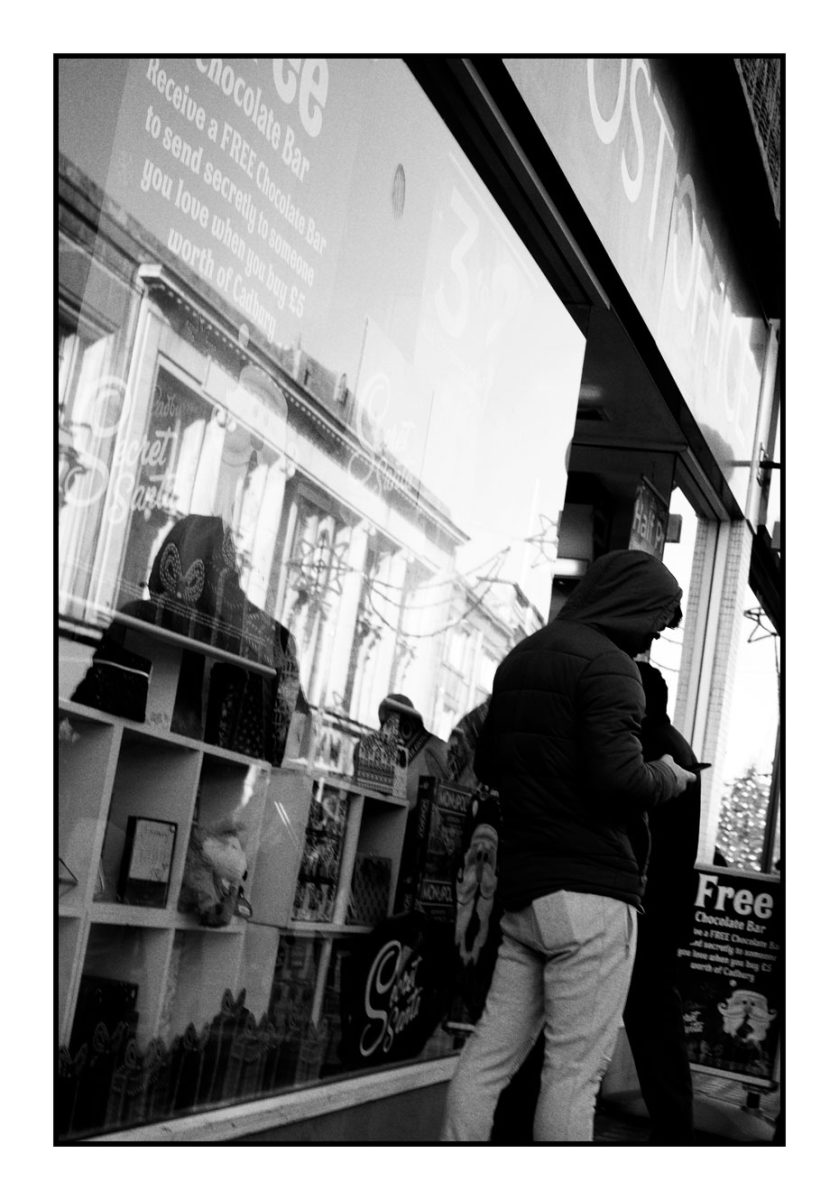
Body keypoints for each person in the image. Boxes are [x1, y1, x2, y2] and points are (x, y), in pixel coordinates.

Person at [441, 549, 696, 1142]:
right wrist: (667, 775)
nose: (655, 635)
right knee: (574, 1076)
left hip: (526, 893)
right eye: (656, 619)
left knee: (487, 1059)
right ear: (631, 603)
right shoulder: (611, 667)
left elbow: (489, 763)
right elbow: (620, 780)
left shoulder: (520, 658)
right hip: (593, 897)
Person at [621, 662, 701, 1144]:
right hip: (666, 906)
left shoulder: (652, 748)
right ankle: (674, 1129)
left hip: (646, 906)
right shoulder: (675, 745)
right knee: (656, 1023)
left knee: (651, 1021)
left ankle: (673, 1132)